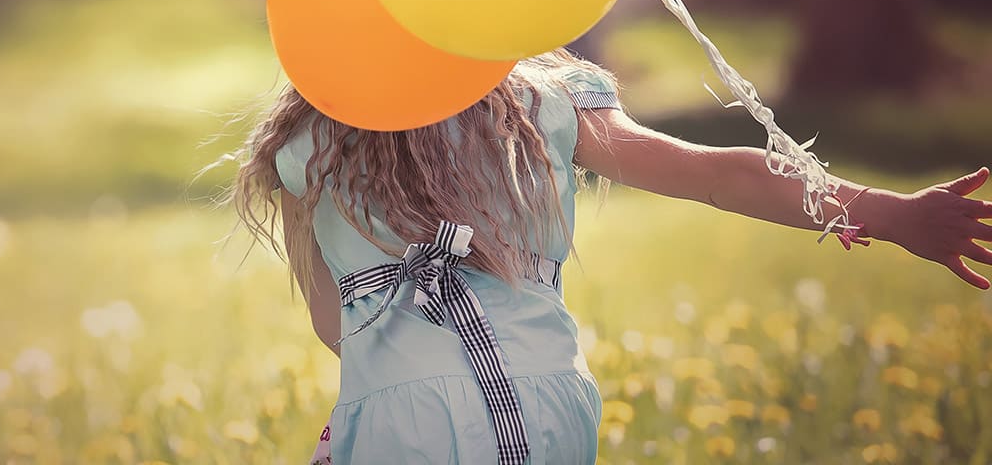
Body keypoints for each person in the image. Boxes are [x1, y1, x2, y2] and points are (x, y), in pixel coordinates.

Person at [225, 48, 992, 464]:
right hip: (547, 398)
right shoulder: (539, 93)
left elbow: (335, 324)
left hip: (402, 417)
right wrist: (891, 214)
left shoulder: (304, 140)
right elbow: (716, 173)